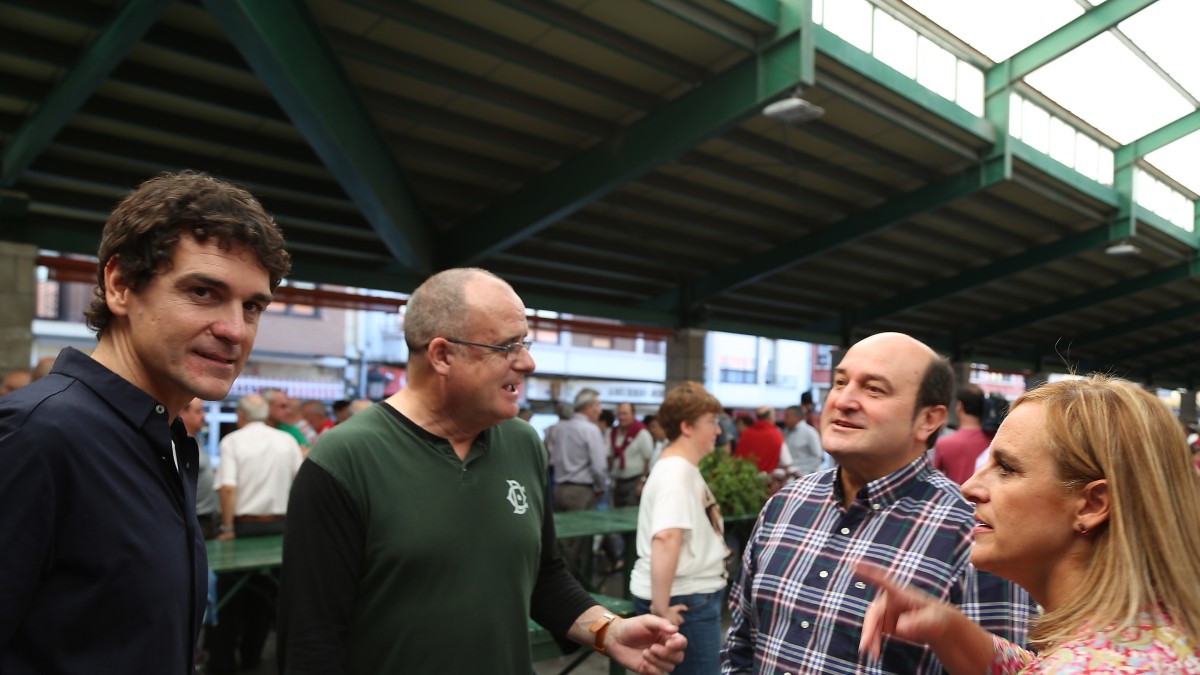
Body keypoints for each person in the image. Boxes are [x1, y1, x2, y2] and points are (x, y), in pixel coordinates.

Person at [277, 268, 685, 674]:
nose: (527, 362)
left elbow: (543, 577)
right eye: (506, 347)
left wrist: (608, 632)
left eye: (523, 343)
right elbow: (311, 640)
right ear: (442, 355)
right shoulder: (344, 459)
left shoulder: (523, 444)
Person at [0, 170, 289, 674]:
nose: (235, 330)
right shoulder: (36, 436)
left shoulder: (162, 440)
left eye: (253, 306)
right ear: (119, 286)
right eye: (203, 292)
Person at [722, 332, 1031, 674]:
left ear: (928, 419)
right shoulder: (785, 505)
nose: (843, 400)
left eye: (874, 389)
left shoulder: (973, 530)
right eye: (840, 382)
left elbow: (1005, 667)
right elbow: (740, 643)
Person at [858, 375, 1200, 672]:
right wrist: (948, 628)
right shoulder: (1151, 636)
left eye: (1006, 468)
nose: (969, 487)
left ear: (1093, 504)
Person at [631, 382, 729, 675]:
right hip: (684, 599)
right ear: (687, 426)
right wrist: (661, 609)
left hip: (685, 596)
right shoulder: (677, 473)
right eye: (711, 422)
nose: (718, 430)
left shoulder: (678, 467)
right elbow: (666, 538)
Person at [208, 393, 303, 674]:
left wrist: (226, 528)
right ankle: (253, 660)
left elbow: (227, 488)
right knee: (267, 598)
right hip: (280, 528)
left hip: (244, 529)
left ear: (240, 415)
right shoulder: (286, 441)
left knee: (230, 601)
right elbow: (301, 481)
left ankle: (222, 665)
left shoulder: (232, 441)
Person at [932, 383, 990, 484]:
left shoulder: (943, 443)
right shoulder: (993, 441)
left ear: (959, 405)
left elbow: (933, 479)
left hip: (952, 498)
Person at [180, 397, 220, 540]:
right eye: (198, 411)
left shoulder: (196, 440)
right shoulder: (178, 444)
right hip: (195, 519)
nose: (203, 415)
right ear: (181, 413)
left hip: (206, 519)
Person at [610, 401, 655, 507]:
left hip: (634, 482)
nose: (621, 417)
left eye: (624, 414)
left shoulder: (642, 433)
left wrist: (642, 482)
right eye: (619, 414)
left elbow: (648, 459)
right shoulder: (614, 433)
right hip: (618, 481)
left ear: (633, 414)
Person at [731, 406, 784, 473]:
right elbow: (786, 461)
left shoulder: (746, 434)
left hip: (745, 477)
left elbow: (737, 458)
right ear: (769, 418)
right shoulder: (776, 434)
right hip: (768, 480)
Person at [783, 404, 823, 476]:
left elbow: (817, 457)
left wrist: (804, 473)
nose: (784, 419)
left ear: (796, 418)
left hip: (805, 475)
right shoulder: (787, 432)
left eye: (787, 416)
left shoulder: (810, 432)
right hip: (790, 475)